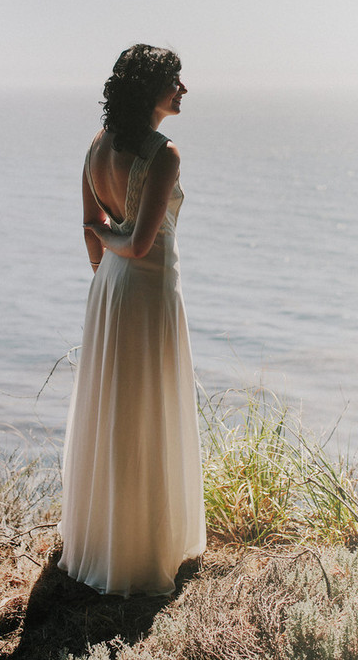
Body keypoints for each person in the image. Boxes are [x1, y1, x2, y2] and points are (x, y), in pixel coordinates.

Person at [58, 44, 206, 597]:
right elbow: (142, 244)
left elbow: (90, 223)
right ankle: (141, 553)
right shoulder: (164, 154)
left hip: (110, 291)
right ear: (152, 89)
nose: (183, 89)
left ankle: (105, 539)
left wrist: (102, 266)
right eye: (175, 80)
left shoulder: (97, 147)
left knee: (112, 406)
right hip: (147, 296)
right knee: (146, 410)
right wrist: (113, 251)